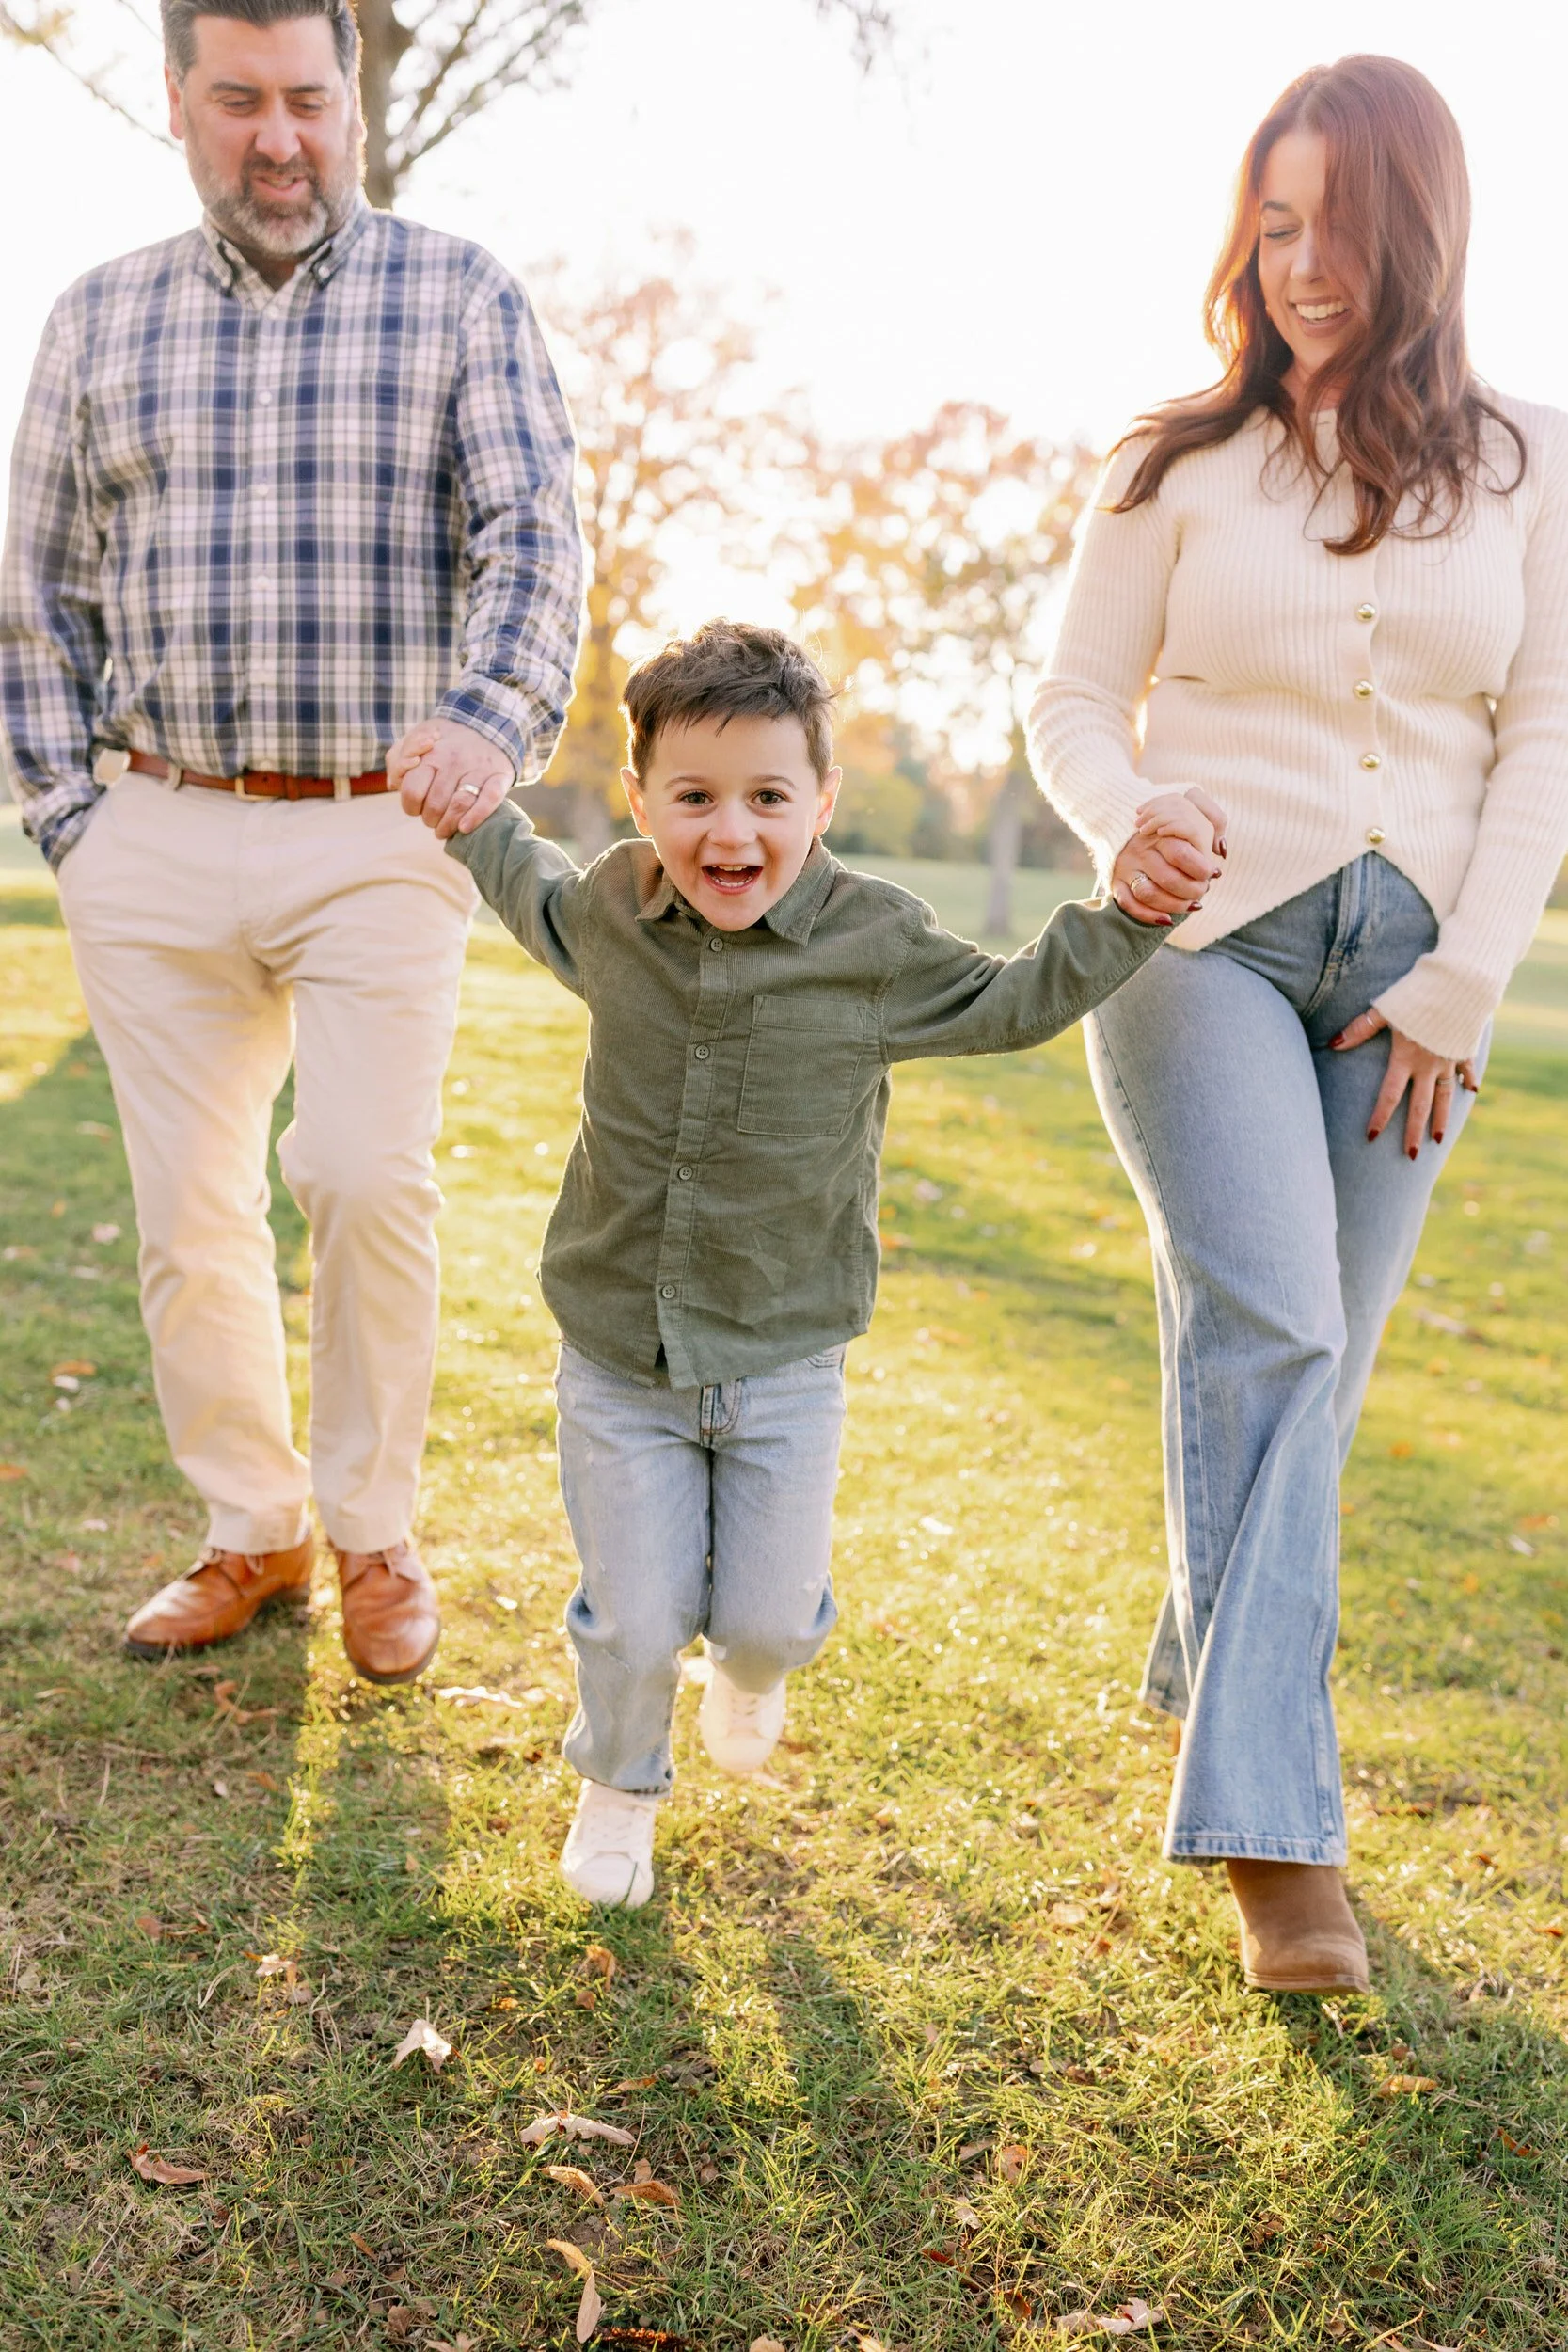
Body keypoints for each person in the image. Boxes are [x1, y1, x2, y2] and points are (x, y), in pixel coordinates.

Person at [398, 620, 1222, 1907]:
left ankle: (755, 1664)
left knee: (770, 1617)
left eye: (768, 798)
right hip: (619, 1351)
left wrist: (1127, 913)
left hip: (784, 1357)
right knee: (629, 1615)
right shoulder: (613, 910)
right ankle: (619, 1790)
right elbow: (527, 885)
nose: (731, 835)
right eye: (694, 798)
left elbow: (1009, 1001)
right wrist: (465, 808)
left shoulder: (873, 945)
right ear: (642, 799)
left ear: (822, 801)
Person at [1030, 56, 1568, 1992]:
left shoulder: (1526, 457)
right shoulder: (1170, 462)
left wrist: (1462, 976)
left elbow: (1542, 741)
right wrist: (1124, 816)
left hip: (1404, 979)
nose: (1300, 264)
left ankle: (1202, 1654)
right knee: (1271, 1323)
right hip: (1197, 947)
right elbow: (1072, 701)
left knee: (1310, 1381)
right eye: (1269, 223)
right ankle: (1270, 1833)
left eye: (1334, 223)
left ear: (1414, 231)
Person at [0, 0, 582, 1682]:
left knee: (361, 1174)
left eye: (310, 101)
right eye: (241, 99)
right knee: (189, 1212)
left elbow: (534, 534)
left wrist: (488, 719)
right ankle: (250, 1531)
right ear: (178, 100)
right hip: (156, 826)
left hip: (380, 826)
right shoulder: (96, 318)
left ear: (350, 101)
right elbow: (30, 589)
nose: (281, 137)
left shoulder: (457, 292)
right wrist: (72, 817)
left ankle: (374, 1529)